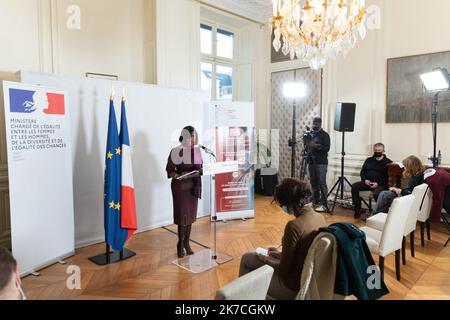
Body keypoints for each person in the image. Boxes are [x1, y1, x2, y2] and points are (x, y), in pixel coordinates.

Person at [239, 178, 327, 300]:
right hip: (308, 281)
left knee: (246, 259)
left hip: (291, 287)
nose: (282, 208)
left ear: (290, 203)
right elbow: (304, 255)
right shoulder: (320, 218)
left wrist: (265, 259)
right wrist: (281, 255)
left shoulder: (294, 226)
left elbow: (283, 269)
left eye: (282, 205)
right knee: (251, 258)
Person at [166, 126, 203, 258]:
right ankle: (180, 245)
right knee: (183, 217)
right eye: (189, 136)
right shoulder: (176, 151)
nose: (191, 139)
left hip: (192, 186)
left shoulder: (197, 152)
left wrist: (198, 172)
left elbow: (201, 169)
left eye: (193, 136)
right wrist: (177, 174)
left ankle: (187, 243)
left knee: (191, 217)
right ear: (183, 136)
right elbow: (170, 170)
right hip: (180, 187)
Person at [351, 143, 392, 219]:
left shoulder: (388, 162)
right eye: (375, 150)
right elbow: (362, 172)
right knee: (354, 186)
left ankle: (379, 213)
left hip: (380, 185)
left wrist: (378, 183)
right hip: (368, 182)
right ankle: (357, 210)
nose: (377, 152)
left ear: (383, 151)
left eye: (379, 150)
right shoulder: (369, 160)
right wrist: (365, 180)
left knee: (377, 193)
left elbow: (387, 177)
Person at [306, 117, 331, 213]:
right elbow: (307, 146)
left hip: (321, 162)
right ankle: (315, 201)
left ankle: (324, 204)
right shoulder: (310, 134)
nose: (314, 125)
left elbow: (327, 148)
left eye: (316, 123)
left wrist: (316, 146)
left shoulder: (325, 135)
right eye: (313, 123)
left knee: (321, 183)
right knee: (314, 183)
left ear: (320, 124)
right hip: (311, 162)